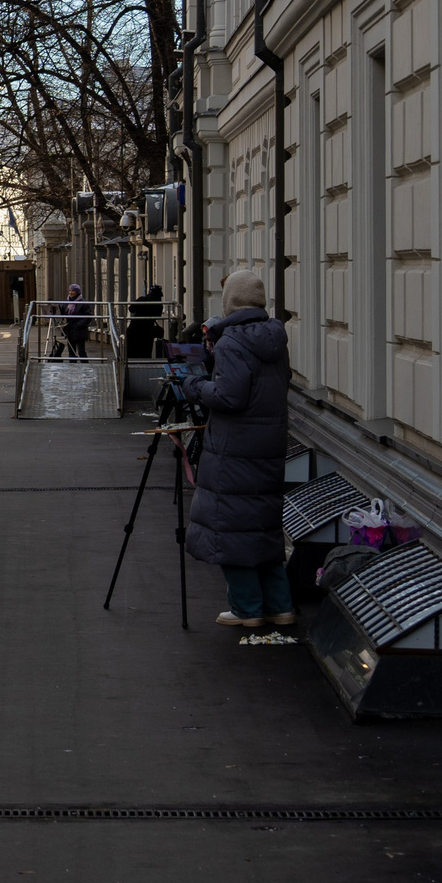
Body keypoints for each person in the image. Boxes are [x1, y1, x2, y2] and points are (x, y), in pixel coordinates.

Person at [181, 270, 294, 630]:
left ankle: (247, 609)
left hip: (234, 449)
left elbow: (229, 396)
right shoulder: (276, 338)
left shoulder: (232, 342)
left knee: (229, 528)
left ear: (230, 302)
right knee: (262, 528)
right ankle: (280, 606)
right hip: (268, 446)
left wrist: (196, 386)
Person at [125, 283, 165, 360]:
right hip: (148, 331)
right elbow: (158, 316)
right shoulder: (159, 305)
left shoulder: (142, 299)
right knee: (145, 352)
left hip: (134, 329)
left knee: (132, 351)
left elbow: (131, 309)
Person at [61, 284, 91, 358]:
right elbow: (63, 313)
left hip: (79, 330)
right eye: (70, 290)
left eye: (73, 291)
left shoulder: (83, 303)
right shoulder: (66, 302)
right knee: (71, 352)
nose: (71, 292)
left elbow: (88, 316)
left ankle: (85, 367)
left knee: (81, 351)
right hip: (69, 329)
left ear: (77, 292)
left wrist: (79, 325)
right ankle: (72, 367)